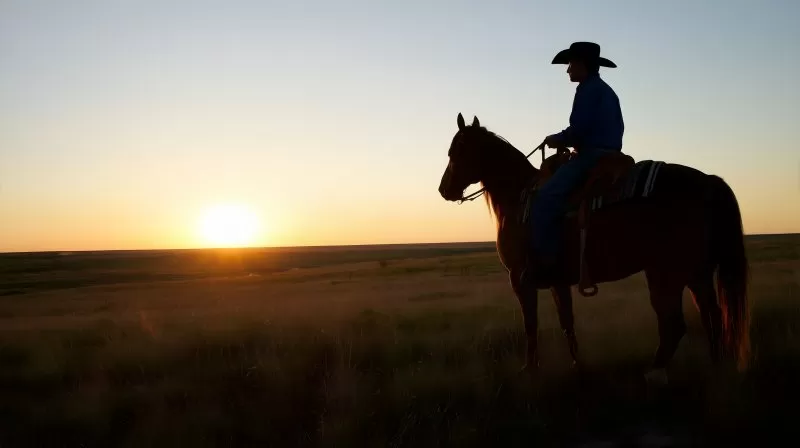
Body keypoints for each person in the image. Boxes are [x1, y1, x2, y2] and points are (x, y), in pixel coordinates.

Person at [529, 41, 625, 281]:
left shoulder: (587, 89)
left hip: (592, 155)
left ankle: (547, 265)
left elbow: (579, 130)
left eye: (571, 64)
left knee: (544, 199)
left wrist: (555, 139)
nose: (568, 70)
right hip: (611, 153)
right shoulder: (606, 90)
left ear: (582, 64)